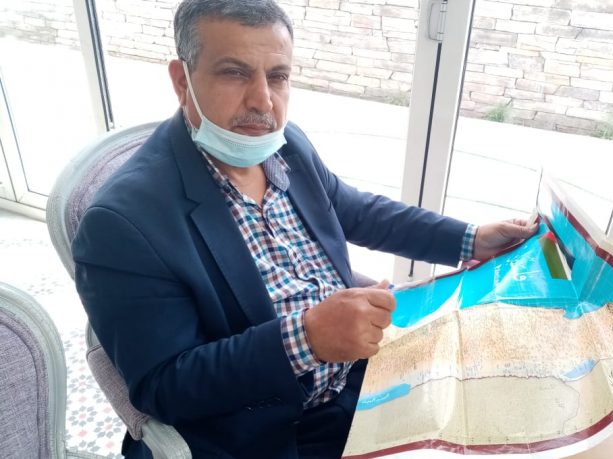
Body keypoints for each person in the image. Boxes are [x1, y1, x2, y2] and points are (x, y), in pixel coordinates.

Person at [71, 1, 538, 458]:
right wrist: (307, 339)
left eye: (277, 77)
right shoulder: (121, 224)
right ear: (182, 80)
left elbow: (357, 211)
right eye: (234, 73)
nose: (262, 101)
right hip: (273, 432)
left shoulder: (283, 145)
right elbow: (166, 385)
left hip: (364, 380)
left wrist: (470, 238)